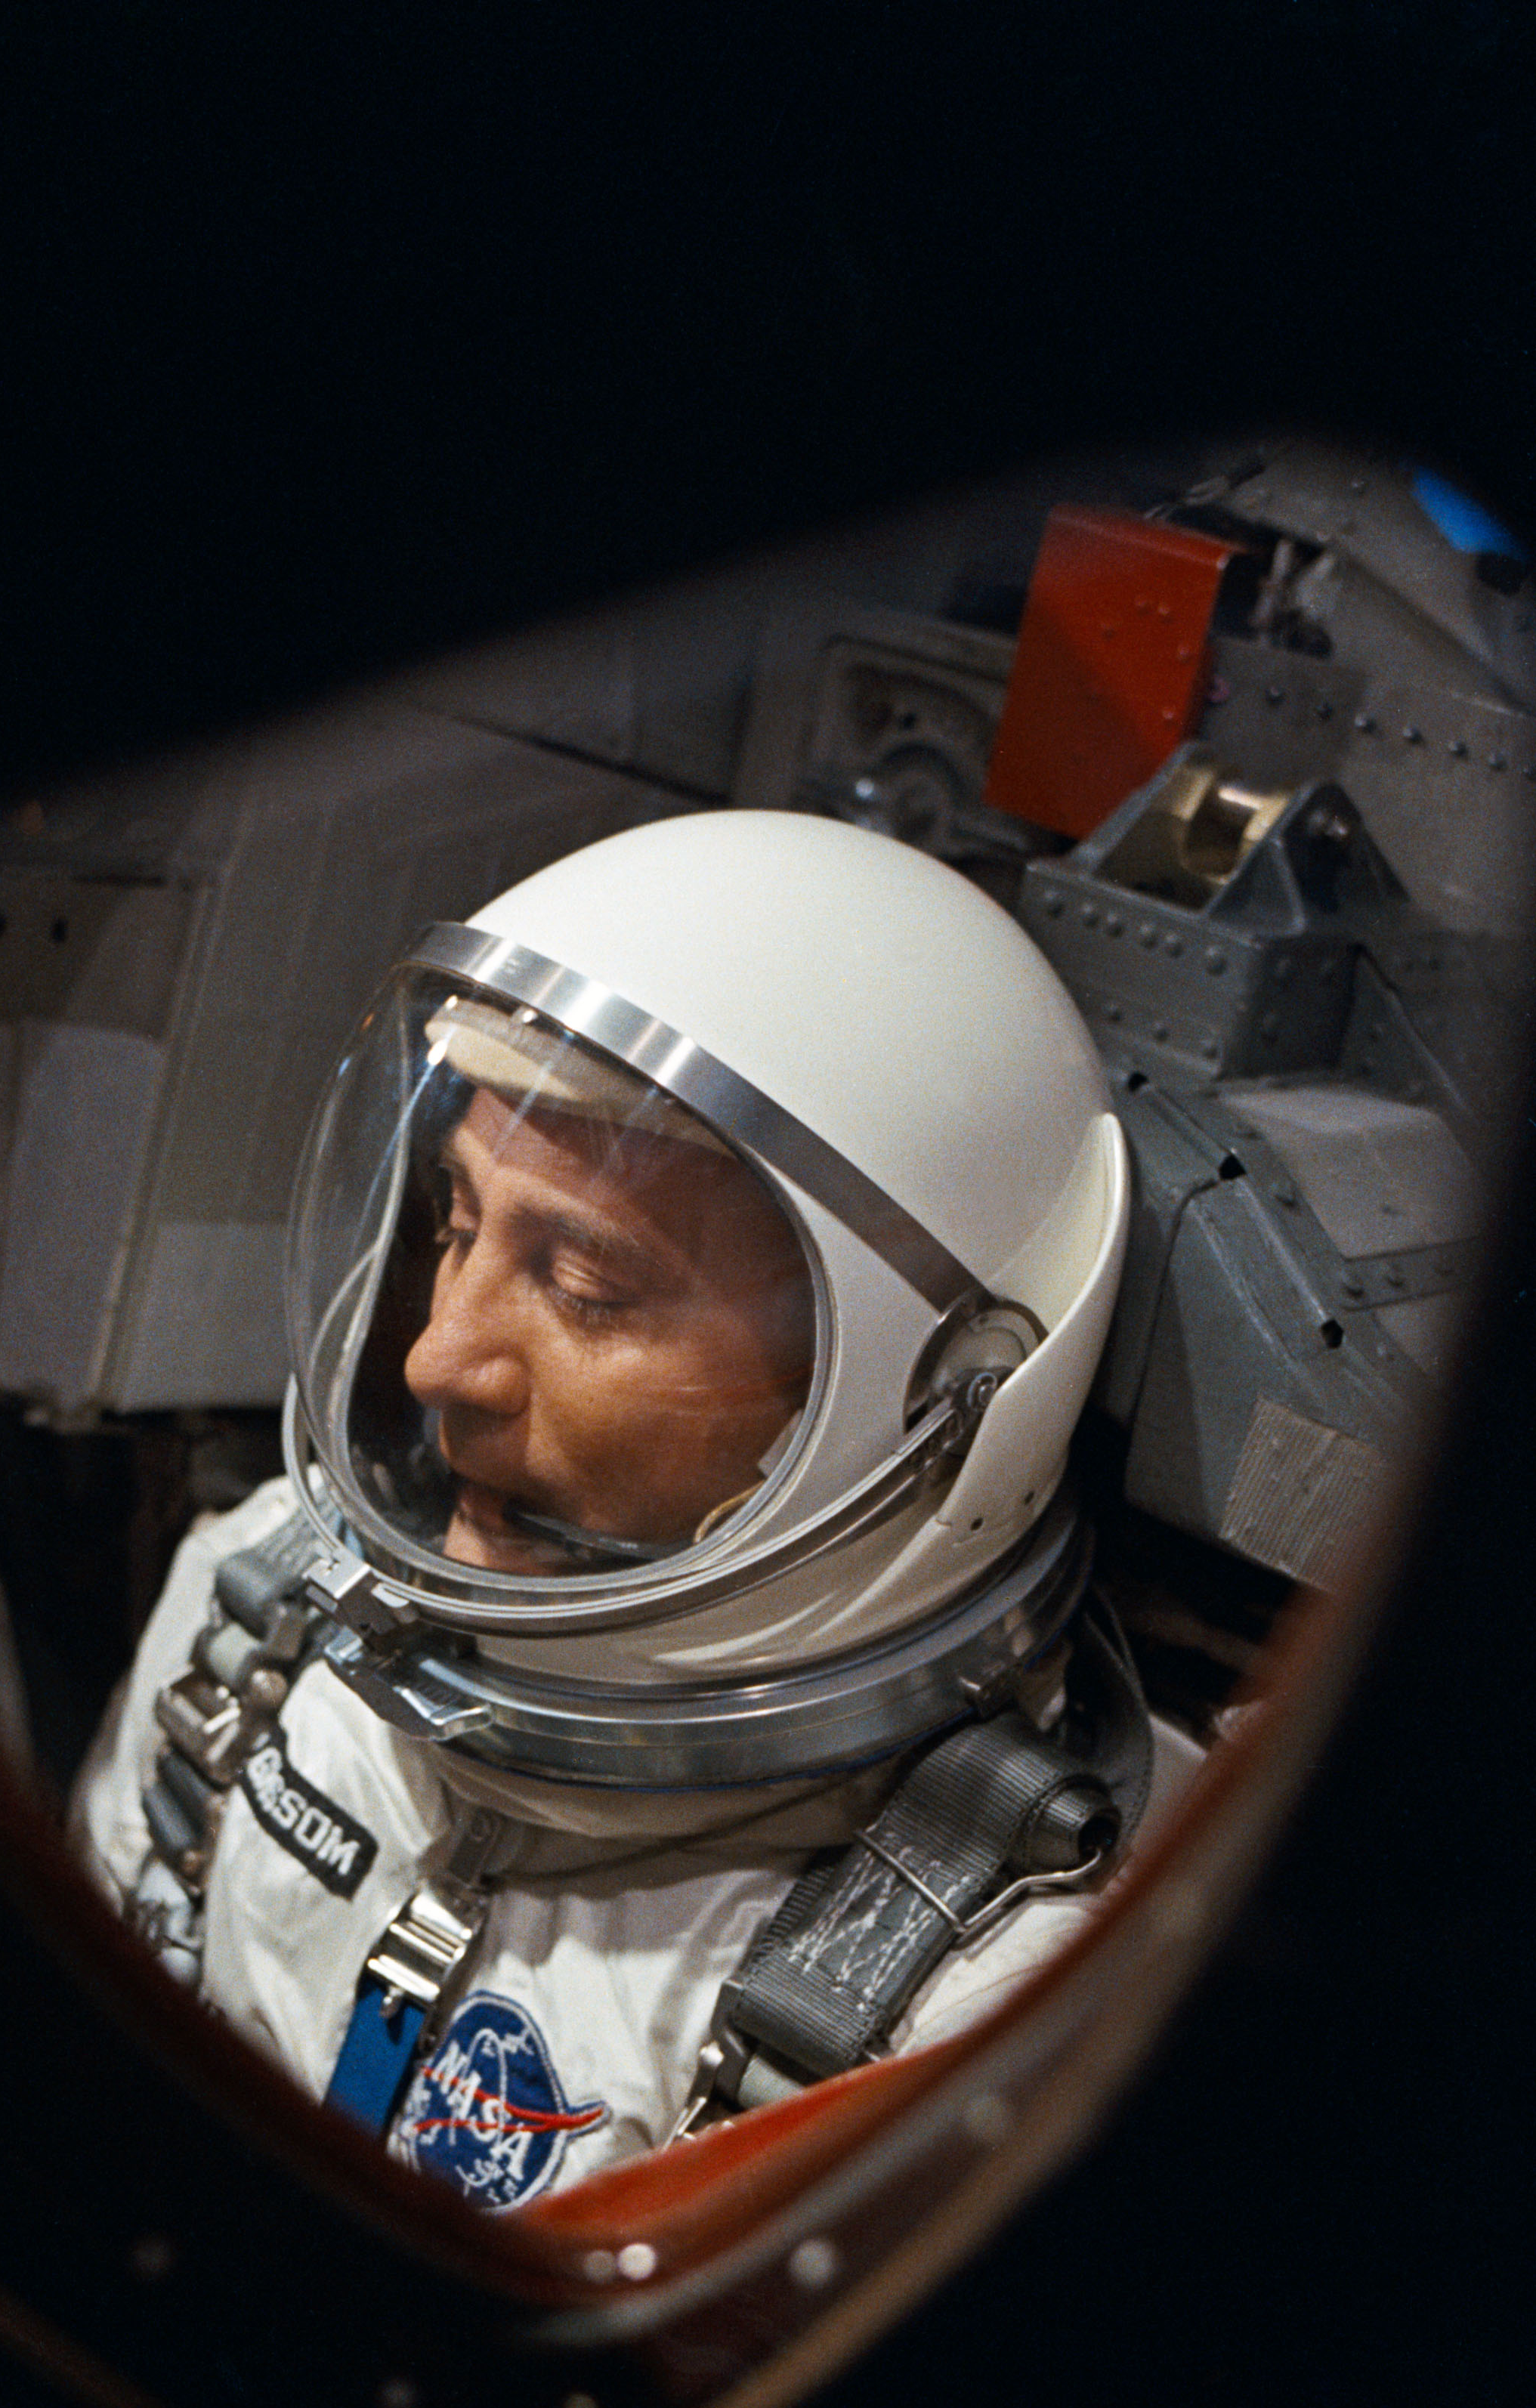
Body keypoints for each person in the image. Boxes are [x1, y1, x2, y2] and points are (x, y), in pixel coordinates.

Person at [76, 808, 1185, 2208]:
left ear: (939, 1405)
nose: (437, 1360)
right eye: (453, 1226)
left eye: (585, 1290)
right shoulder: (254, 1621)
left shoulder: (987, 2015)